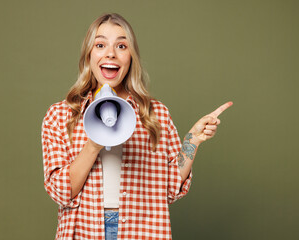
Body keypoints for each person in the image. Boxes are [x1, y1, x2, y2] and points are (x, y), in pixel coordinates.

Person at [41, 13, 232, 240]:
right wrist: (92, 145)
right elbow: (61, 192)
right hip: (85, 230)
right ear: (89, 55)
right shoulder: (60, 115)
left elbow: (170, 188)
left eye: (121, 45)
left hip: (142, 231)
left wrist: (192, 141)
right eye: (100, 44)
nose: (111, 53)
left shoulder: (155, 114)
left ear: (131, 56)